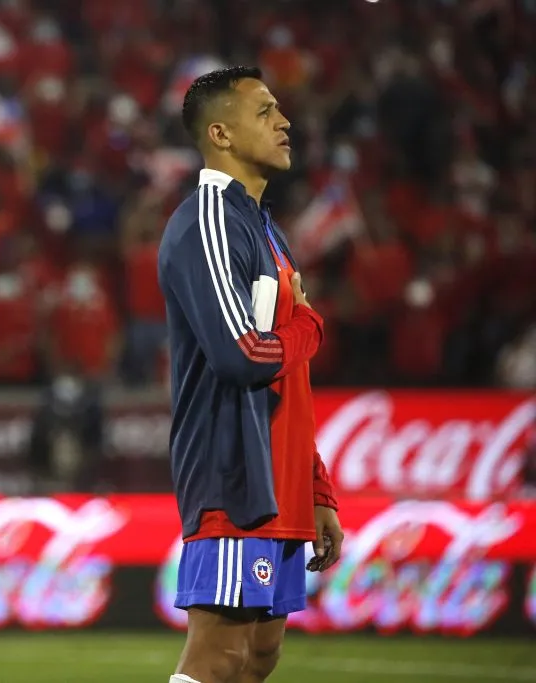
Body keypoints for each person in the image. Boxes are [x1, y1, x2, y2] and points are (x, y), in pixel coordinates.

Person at [157, 66, 343, 683]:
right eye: (265, 112)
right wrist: (311, 327)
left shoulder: (264, 227)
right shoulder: (209, 218)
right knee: (220, 655)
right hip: (234, 467)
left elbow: (287, 374)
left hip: (281, 472)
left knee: (257, 658)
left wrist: (315, 487)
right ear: (221, 133)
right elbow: (242, 355)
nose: (284, 121)